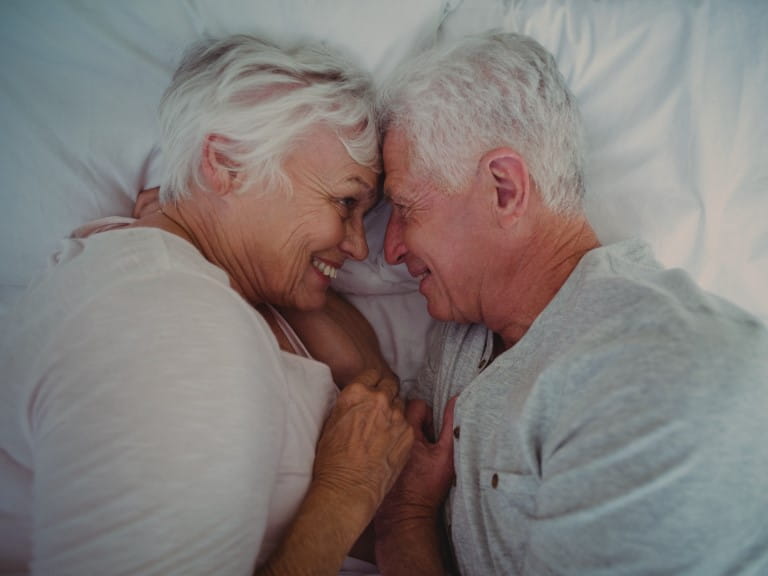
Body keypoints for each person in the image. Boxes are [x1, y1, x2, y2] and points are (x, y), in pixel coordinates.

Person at [0, 35, 414, 575]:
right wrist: (344, 493)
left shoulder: (183, 284)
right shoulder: (171, 324)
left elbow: (371, 386)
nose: (361, 247)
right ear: (226, 163)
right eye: (344, 201)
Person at [373, 31, 768, 575]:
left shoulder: (665, 371)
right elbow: (374, 396)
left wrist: (406, 523)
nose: (390, 249)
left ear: (504, 189)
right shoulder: (463, 335)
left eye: (405, 207)